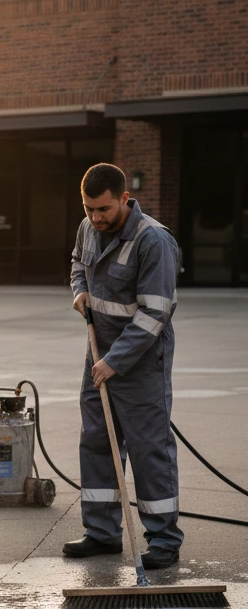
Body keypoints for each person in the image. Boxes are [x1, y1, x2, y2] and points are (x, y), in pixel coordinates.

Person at [64, 162, 183, 569]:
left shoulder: (154, 242)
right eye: (89, 209)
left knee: (150, 447)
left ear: (125, 200)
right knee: (98, 440)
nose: (96, 218)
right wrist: (79, 292)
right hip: (99, 351)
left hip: (141, 360)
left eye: (104, 210)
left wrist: (115, 362)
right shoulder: (88, 227)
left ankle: (164, 540)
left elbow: (154, 315)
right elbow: (79, 262)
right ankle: (101, 533)